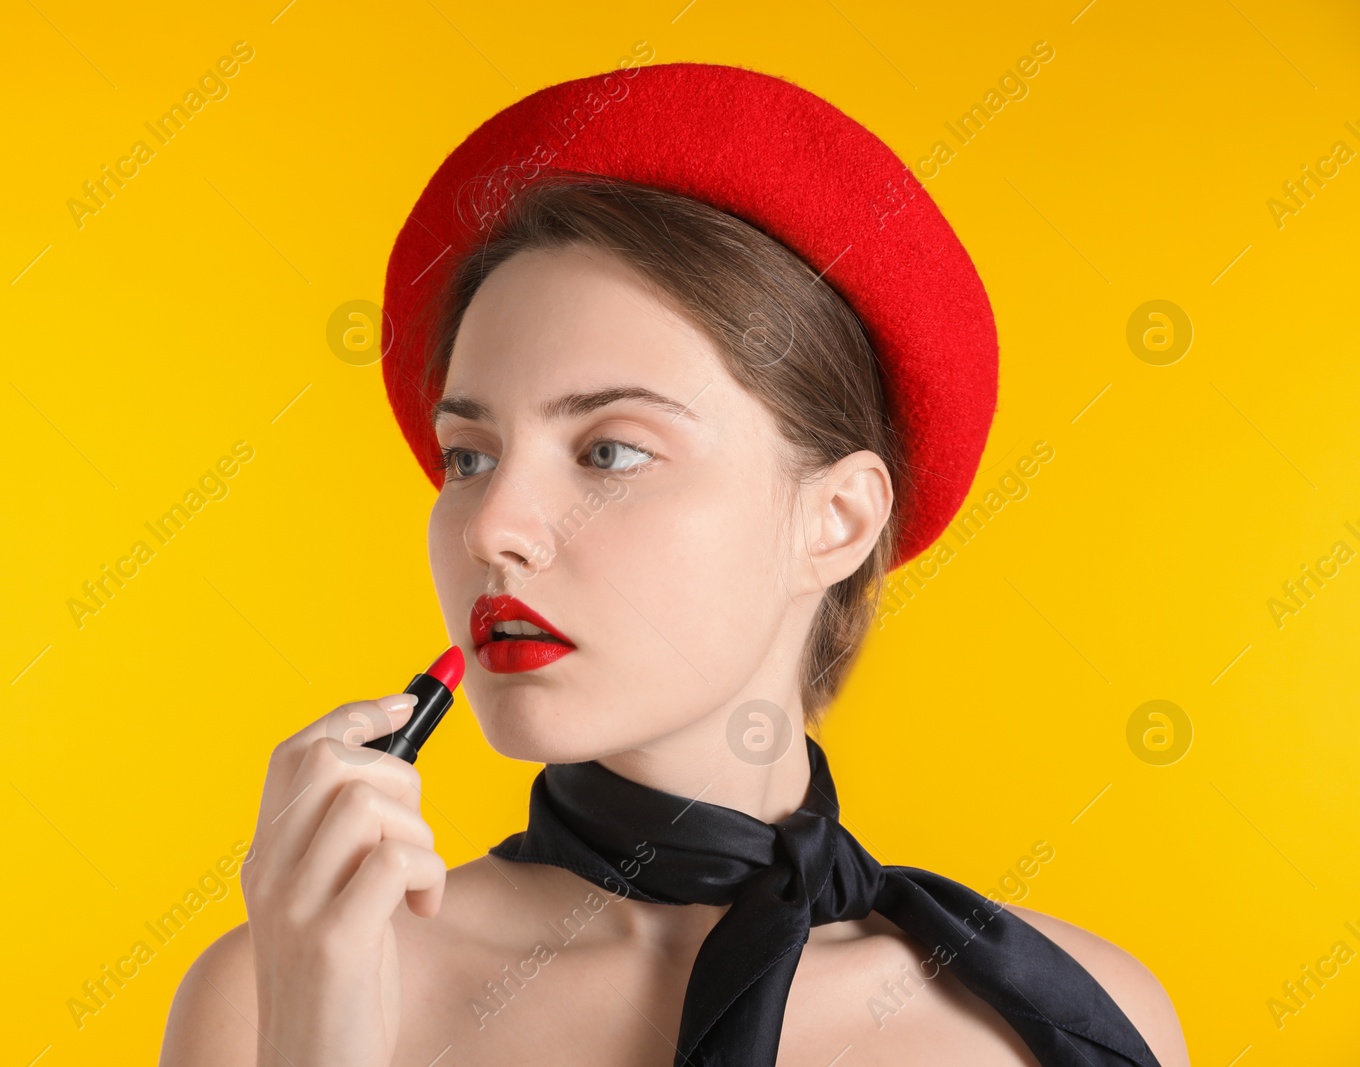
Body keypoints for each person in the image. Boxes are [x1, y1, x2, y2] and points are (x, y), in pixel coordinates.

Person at [158, 64, 1189, 1067]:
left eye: (609, 449)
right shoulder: (279, 989)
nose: (491, 528)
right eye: (469, 455)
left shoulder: (1061, 1015)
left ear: (834, 519)